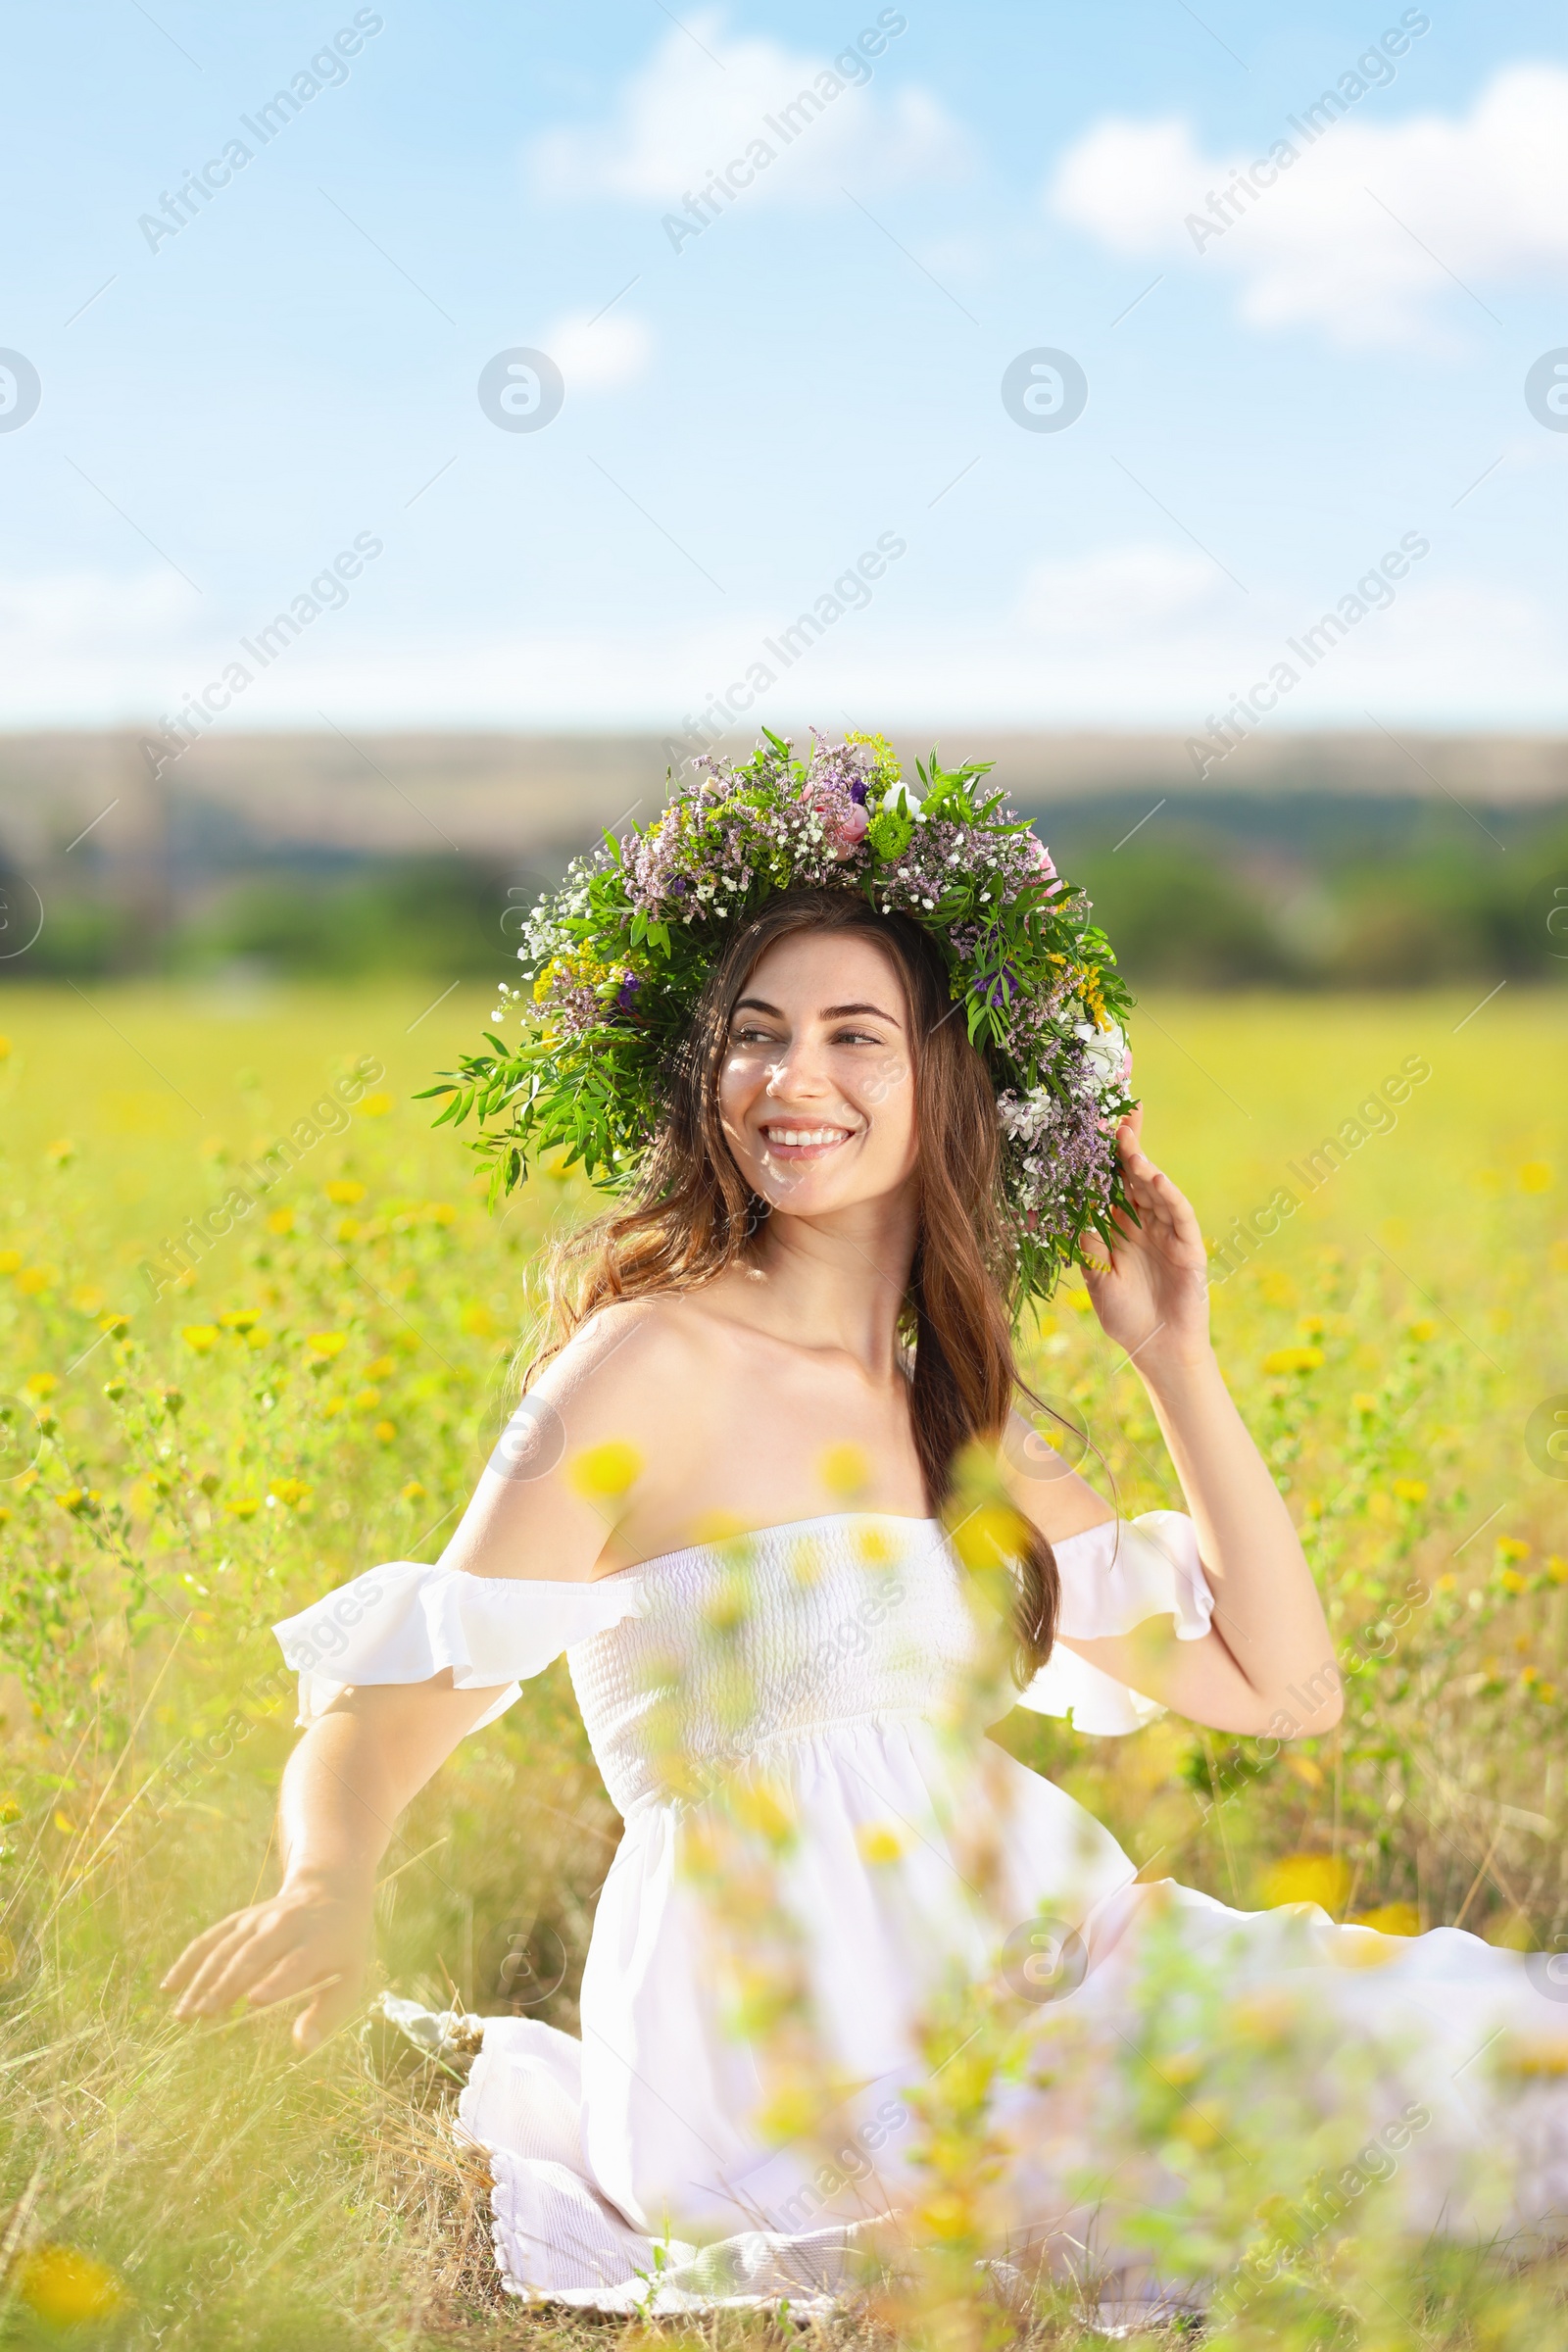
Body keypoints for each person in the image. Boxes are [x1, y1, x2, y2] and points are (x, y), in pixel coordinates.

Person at [164, 739, 1567, 2319]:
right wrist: (325, 1884)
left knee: (1481, 2052)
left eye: (853, 1036)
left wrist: (1178, 1358)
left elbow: (1282, 1693)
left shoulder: (956, 1418)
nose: (792, 1081)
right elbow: (407, 1689)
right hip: (782, 2052)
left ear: (947, 1079)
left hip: (1045, 1963)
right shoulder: (645, 1363)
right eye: (754, 1038)